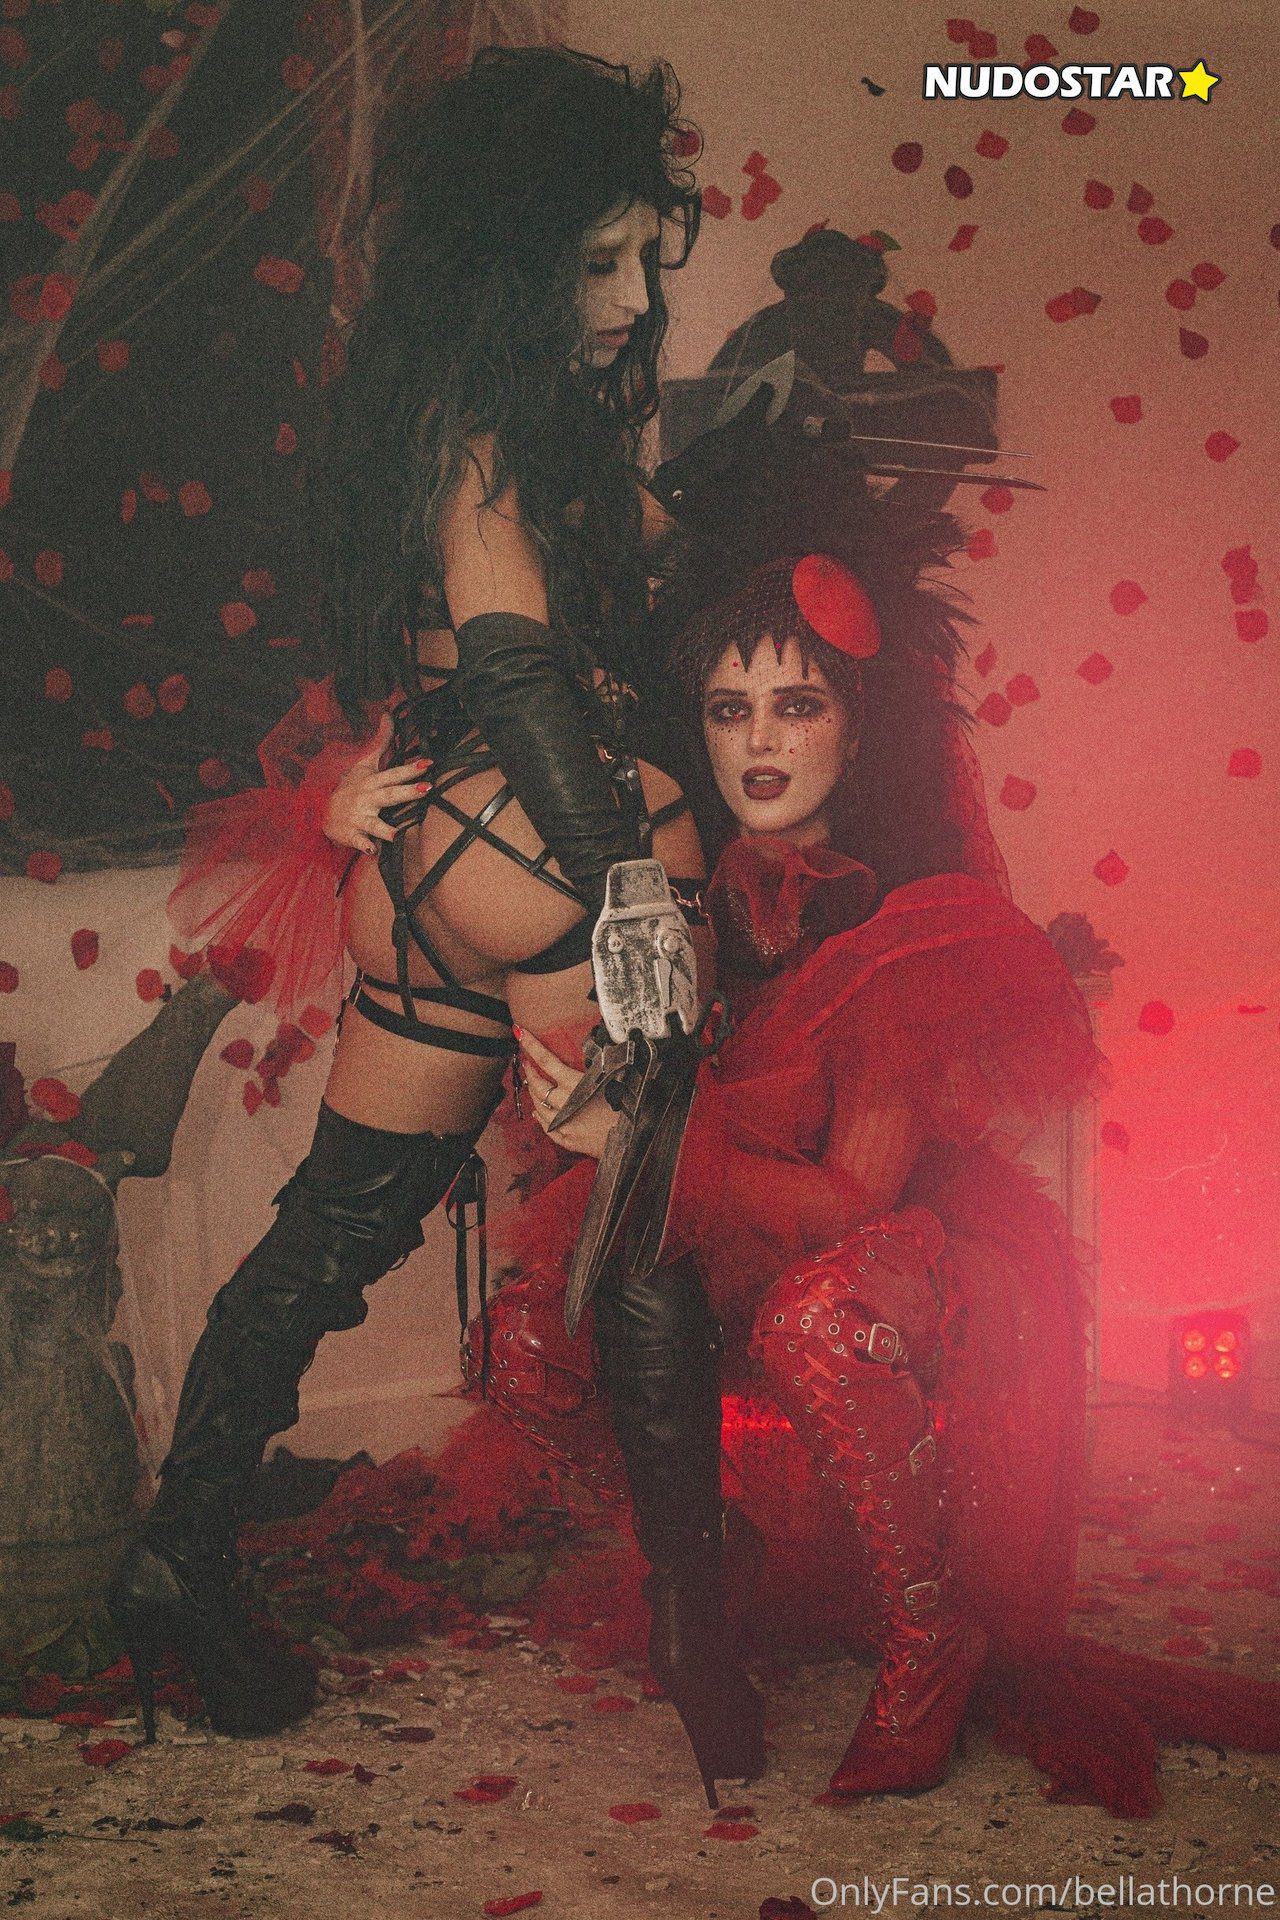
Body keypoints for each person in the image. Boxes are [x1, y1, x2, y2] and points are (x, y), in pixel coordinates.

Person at [108, 45, 762, 1775]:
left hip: (417, 878)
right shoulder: (496, 430)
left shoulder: (420, 414)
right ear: (509, 262)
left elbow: (424, 652)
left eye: (645, 259)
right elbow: (525, 675)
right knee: (639, 1224)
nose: (631, 300)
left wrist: (345, 775)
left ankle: (178, 1556)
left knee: (336, 1226)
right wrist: (634, 901)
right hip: (552, 848)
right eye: (597, 263)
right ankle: (699, 1637)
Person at [474, 523, 1280, 1815]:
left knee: (815, 1316)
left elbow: (853, 1202)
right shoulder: (680, 894)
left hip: (918, 1241)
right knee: (525, 1335)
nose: (760, 741)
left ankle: (930, 1629)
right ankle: (719, 1557)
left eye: (798, 706)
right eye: (730, 709)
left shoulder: (915, 921)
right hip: (744, 1212)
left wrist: (642, 1144)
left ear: (857, 733)